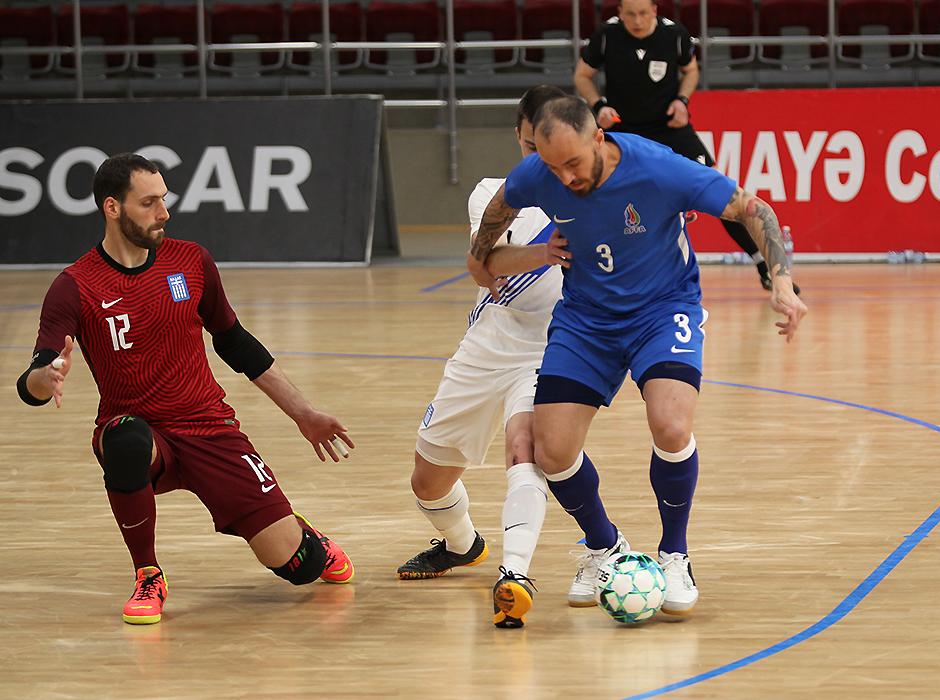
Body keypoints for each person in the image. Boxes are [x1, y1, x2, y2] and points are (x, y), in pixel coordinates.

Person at [466, 96, 807, 617]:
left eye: (574, 163)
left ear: (598, 139)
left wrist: (780, 280)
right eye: (554, 167)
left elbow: (753, 209)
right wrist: (480, 256)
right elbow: (499, 209)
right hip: (586, 319)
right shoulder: (539, 173)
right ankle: (605, 547)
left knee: (671, 424)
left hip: (662, 310)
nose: (566, 178)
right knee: (552, 450)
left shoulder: (659, 168)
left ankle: (675, 554)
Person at [15, 153, 357, 625]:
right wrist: (46, 377)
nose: (164, 213)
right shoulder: (75, 285)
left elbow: (235, 343)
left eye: (164, 199)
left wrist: (305, 414)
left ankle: (302, 535)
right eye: (149, 203)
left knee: (302, 568)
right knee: (124, 439)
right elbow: (32, 380)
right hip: (143, 435)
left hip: (211, 429)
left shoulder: (191, 260)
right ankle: (148, 574)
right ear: (112, 207)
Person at [396, 85, 572, 629]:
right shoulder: (494, 193)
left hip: (551, 349)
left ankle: (515, 574)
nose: (541, 157)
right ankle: (463, 544)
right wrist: (548, 250)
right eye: (531, 145)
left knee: (526, 449)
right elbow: (489, 264)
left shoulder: (597, 197)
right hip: (488, 345)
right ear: (519, 137)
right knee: (428, 482)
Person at [574, 0, 800, 295]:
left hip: (669, 127)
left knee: (720, 187)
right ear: (620, 13)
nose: (637, 20)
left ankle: (764, 266)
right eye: (630, 14)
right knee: (598, 193)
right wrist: (599, 106)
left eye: (643, 14)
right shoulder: (606, 35)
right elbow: (582, 75)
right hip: (622, 130)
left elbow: (691, 70)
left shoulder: (674, 34)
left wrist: (682, 101)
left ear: (655, 11)